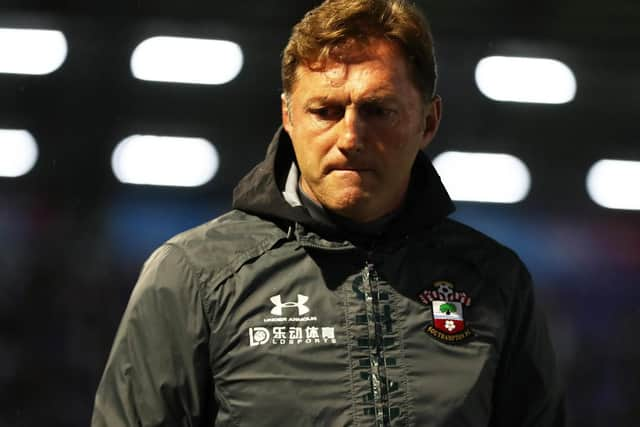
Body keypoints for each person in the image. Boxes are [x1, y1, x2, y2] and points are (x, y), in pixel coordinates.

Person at [92, 0, 565, 425]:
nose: (350, 137)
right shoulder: (193, 275)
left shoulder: (496, 282)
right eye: (325, 110)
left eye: (379, 110)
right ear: (288, 116)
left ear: (429, 120)